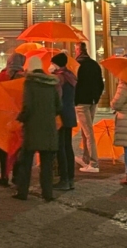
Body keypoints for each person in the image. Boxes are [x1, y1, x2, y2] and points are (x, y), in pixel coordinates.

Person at [13, 57, 61, 201]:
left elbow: (27, 107)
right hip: (49, 129)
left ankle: (22, 192)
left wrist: (20, 118)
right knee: (46, 165)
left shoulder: (30, 83)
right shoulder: (52, 84)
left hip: (32, 129)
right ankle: (47, 194)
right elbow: (59, 107)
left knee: (25, 162)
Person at [0, 52, 26, 186]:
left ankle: (4, 175)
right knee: (18, 146)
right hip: (19, 117)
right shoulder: (24, 78)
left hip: (5, 116)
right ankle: (17, 176)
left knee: (4, 147)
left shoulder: (3, 76)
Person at [74, 42, 104, 173]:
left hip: (82, 102)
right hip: (92, 101)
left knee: (88, 132)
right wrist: (96, 97)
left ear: (78, 50)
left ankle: (93, 162)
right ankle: (86, 158)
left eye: (75, 49)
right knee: (86, 130)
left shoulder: (77, 65)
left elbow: (74, 83)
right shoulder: (94, 64)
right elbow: (100, 83)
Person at [52, 53, 77, 191]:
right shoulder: (70, 75)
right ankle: (71, 178)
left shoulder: (59, 78)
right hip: (70, 113)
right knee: (68, 146)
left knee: (60, 147)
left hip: (61, 115)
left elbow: (57, 98)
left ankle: (64, 179)